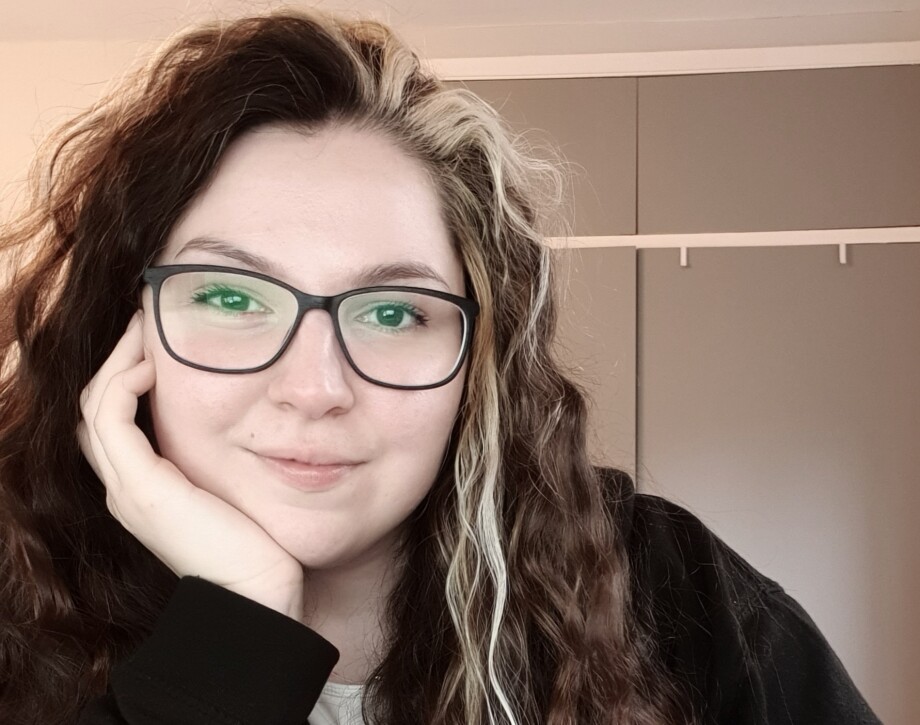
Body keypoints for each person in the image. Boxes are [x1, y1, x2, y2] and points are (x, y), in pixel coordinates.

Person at [0, 9, 880, 725]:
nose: (314, 388)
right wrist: (238, 626)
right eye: (232, 298)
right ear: (127, 326)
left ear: (476, 357)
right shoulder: (18, 625)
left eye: (391, 312)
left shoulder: (662, 584)